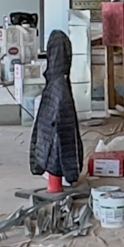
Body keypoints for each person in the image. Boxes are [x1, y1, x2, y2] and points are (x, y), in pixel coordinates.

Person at [29, 28, 82, 194]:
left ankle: (55, 180)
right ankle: (55, 182)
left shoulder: (55, 80)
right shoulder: (60, 84)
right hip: (54, 150)